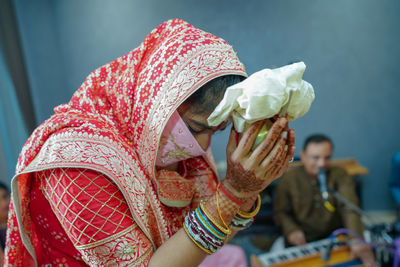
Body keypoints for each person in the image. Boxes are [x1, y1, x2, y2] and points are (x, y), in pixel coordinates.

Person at [5, 19, 294, 266]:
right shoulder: (78, 161)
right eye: (195, 128)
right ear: (154, 103)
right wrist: (234, 191)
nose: (204, 146)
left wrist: (247, 190)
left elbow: (206, 237)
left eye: (216, 132)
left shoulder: (163, 142)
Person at [274, 134, 375, 266]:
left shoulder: (339, 175)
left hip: (335, 239)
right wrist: (292, 231)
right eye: (315, 158)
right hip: (302, 243)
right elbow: (281, 213)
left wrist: (355, 238)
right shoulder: (289, 179)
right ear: (303, 155)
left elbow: (349, 208)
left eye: (327, 158)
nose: (321, 164)